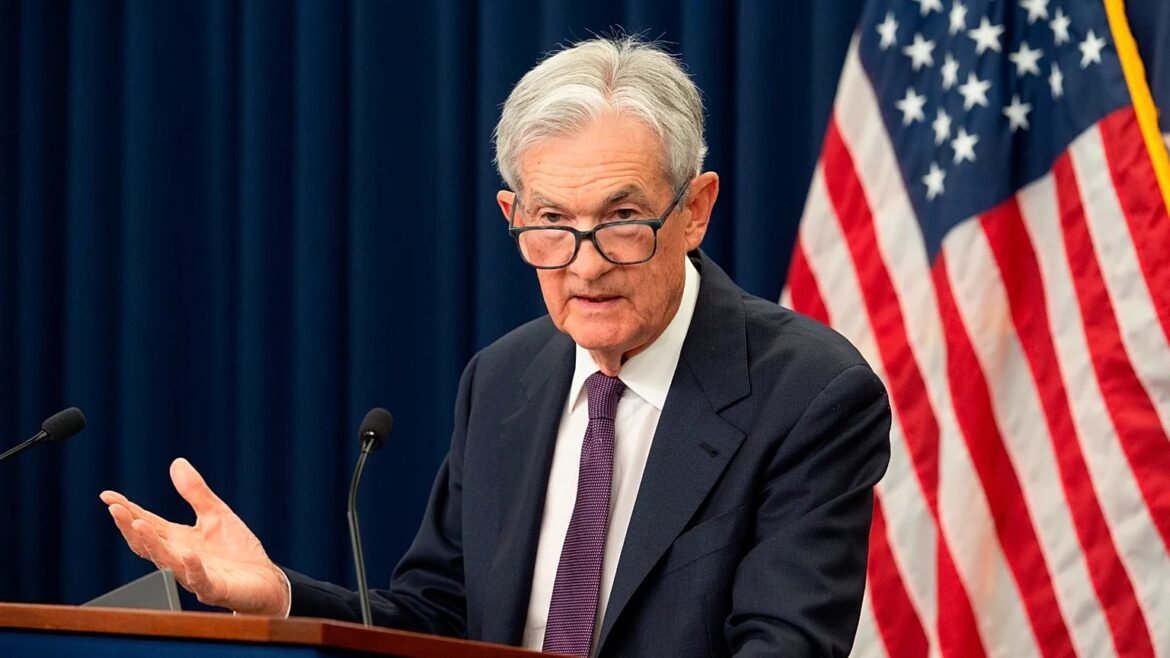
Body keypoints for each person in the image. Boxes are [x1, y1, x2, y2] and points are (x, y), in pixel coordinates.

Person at [102, 36, 891, 657]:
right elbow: (438, 620)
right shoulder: (504, 379)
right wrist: (279, 594)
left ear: (695, 210)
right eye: (551, 222)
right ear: (512, 214)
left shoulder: (808, 394)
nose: (584, 265)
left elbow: (782, 647)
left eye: (622, 219)